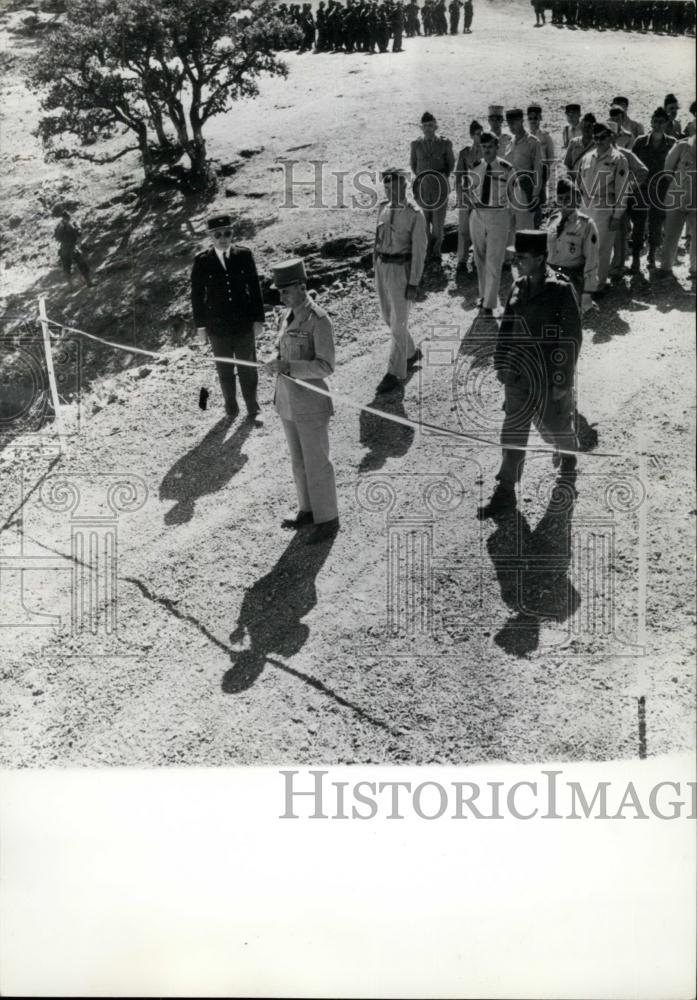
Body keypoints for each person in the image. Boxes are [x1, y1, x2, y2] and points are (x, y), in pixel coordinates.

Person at [478, 230, 582, 519]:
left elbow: (570, 338)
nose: (516, 262)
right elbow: (507, 328)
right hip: (518, 375)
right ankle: (506, 491)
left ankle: (569, 454)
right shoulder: (518, 286)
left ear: (540, 258)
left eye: (522, 257)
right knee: (513, 431)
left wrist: (562, 382)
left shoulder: (560, 289)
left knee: (554, 426)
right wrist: (500, 363)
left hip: (548, 377)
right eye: (515, 257)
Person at [265, 257, 339, 545]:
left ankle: (328, 518)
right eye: (279, 291)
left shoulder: (318, 320)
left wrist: (288, 367)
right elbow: (285, 351)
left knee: (317, 462)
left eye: (286, 290)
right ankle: (308, 510)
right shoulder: (289, 315)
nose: (281, 296)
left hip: (310, 403)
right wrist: (278, 363)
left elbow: (326, 366)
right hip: (288, 402)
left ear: (302, 287)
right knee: (299, 462)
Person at [191, 213, 264, 421]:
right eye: (218, 234)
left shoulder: (244, 255)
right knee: (225, 370)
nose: (223, 238)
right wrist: (201, 327)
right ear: (210, 237)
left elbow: (255, 288)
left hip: (243, 324)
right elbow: (197, 296)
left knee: (248, 368)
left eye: (227, 233)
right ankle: (231, 407)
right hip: (217, 328)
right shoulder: (202, 261)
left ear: (232, 234)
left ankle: (253, 408)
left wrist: (258, 320)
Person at [373, 166, 428, 392]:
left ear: (404, 186)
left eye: (393, 188)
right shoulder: (383, 209)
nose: (389, 193)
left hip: (401, 270)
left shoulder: (415, 214)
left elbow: (420, 250)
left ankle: (394, 373)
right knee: (389, 318)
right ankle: (411, 352)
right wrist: (375, 267)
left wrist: (414, 282)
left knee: (398, 322)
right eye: (386, 188)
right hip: (382, 269)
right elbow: (376, 241)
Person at [577, 120, 630, 293]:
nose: (599, 141)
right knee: (585, 246)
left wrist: (617, 216)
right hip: (585, 206)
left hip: (604, 207)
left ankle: (598, 286)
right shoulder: (587, 157)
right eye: (596, 137)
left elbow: (622, 190)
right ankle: (585, 283)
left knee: (601, 248)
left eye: (602, 137)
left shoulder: (618, 159)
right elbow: (579, 183)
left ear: (610, 137)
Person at [467, 131, 515, 315]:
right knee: (479, 259)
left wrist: (508, 216)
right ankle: (483, 296)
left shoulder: (506, 168)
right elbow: (469, 190)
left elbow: (514, 195)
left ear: (497, 147)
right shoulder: (476, 167)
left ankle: (489, 303)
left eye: (489, 147)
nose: (486, 150)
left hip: (498, 215)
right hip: (478, 215)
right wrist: (473, 206)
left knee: (494, 260)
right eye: (483, 147)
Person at [629, 107, 676, 272]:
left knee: (656, 225)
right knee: (638, 225)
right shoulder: (640, 142)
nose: (657, 125)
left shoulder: (671, 143)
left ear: (666, 124)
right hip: (641, 189)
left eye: (661, 122)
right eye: (655, 121)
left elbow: (675, 168)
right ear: (651, 122)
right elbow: (631, 165)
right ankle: (635, 258)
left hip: (661, 190)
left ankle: (651, 255)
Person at [544, 177, 599, 313]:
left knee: (568, 323)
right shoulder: (553, 221)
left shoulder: (586, 225)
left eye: (568, 199)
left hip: (571, 279)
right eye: (560, 199)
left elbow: (592, 260)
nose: (564, 204)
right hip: (550, 276)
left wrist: (587, 292)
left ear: (577, 199)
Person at [409, 111, 455, 264]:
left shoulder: (445, 143)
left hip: (439, 188)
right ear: (421, 128)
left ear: (436, 126)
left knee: (438, 224)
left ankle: (436, 252)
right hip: (422, 189)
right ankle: (427, 252)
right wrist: (423, 177)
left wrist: (441, 178)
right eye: (425, 126)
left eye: (430, 125)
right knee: (424, 222)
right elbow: (413, 165)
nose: (428, 128)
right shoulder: (416, 144)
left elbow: (451, 164)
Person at [655, 132, 696, 279]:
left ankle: (695, 269)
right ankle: (665, 268)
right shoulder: (682, 146)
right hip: (677, 197)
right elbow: (667, 170)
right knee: (671, 234)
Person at [453, 120, 483, 274]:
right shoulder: (464, 153)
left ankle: (478, 260)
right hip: (467, 196)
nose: (480, 136)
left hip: (483, 197)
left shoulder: (488, 151)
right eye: (477, 134)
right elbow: (458, 176)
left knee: (480, 230)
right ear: (472, 135)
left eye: (482, 133)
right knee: (464, 230)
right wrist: (460, 195)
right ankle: (461, 261)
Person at [526, 104, 555, 210]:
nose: (533, 121)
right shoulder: (524, 136)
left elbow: (550, 158)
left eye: (535, 118)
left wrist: (543, 170)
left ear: (540, 118)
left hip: (541, 171)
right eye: (530, 118)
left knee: (540, 198)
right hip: (527, 171)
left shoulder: (545, 137)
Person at [53, 211, 92, 285]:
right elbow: (78, 233)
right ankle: (89, 282)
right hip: (72, 247)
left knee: (66, 267)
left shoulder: (58, 226)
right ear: (68, 217)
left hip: (64, 248)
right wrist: (78, 228)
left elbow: (57, 237)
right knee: (82, 264)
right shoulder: (70, 224)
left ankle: (70, 287)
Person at [564, 112, 597, 179]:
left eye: (589, 126)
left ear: (594, 128)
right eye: (584, 126)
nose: (586, 129)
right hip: (574, 180)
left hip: (590, 181)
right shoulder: (573, 142)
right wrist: (571, 175)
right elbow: (567, 163)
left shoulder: (597, 145)